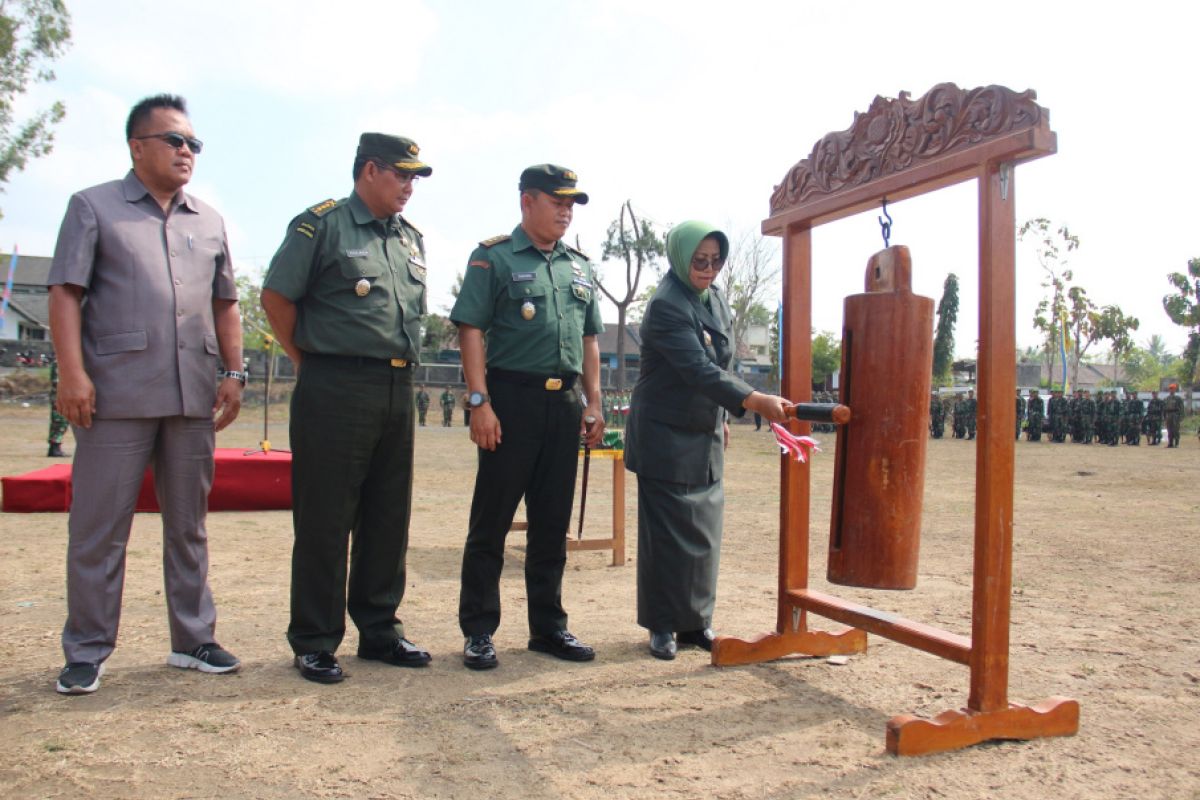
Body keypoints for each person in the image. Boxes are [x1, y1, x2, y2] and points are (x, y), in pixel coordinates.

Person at [47, 94, 244, 694]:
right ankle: (87, 648)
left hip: (192, 395)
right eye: (174, 140)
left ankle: (193, 639)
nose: (186, 151)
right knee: (99, 528)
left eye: (193, 143)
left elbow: (226, 303)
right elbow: (65, 293)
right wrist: (72, 374)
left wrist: (233, 374)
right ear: (137, 147)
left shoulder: (208, 220)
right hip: (114, 394)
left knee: (189, 525)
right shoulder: (93, 207)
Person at [261, 132, 433, 684]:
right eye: (401, 175)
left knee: (388, 516)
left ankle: (380, 629)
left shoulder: (410, 239)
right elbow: (276, 296)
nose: (409, 187)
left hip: (397, 388)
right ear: (369, 171)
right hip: (335, 384)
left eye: (414, 178)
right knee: (326, 519)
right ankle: (314, 638)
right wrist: (306, 359)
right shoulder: (323, 225)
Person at [450, 163, 604, 670]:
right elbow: (471, 328)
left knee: (551, 524)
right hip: (509, 401)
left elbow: (589, 339)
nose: (566, 211)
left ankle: (549, 628)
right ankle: (478, 630)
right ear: (527, 201)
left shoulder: (578, 266)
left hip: (563, 405)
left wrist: (594, 400)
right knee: (491, 522)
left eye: (571, 204)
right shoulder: (492, 258)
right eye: (557, 201)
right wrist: (480, 402)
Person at [624, 221, 791, 660]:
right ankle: (662, 626)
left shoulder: (714, 298)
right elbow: (698, 369)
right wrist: (753, 400)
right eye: (700, 261)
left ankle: (696, 622)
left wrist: (725, 416)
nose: (709, 269)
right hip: (665, 435)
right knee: (666, 539)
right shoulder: (666, 306)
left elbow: (724, 361)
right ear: (681, 258)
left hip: (704, 431)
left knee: (703, 534)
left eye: (716, 260)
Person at [47, 357, 69, 457]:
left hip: (60, 395)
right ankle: (54, 448)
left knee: (61, 422)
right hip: (59, 396)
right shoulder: (60, 362)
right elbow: (57, 381)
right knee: (59, 422)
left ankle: (55, 447)